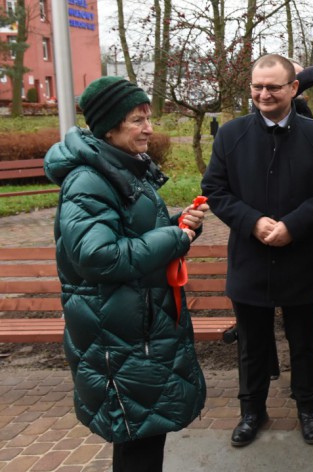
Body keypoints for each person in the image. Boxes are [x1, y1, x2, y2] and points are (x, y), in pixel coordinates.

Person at [43, 76, 208, 471]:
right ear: (110, 127)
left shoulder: (120, 169)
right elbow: (98, 256)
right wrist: (174, 238)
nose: (149, 128)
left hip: (136, 329)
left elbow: (131, 234)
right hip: (118, 338)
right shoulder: (89, 180)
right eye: (137, 120)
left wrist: (179, 225)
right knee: (138, 439)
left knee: (142, 434)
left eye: (148, 118)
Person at [201, 54, 313, 448]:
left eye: (273, 87)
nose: (264, 94)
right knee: (252, 342)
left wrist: (293, 226)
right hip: (250, 257)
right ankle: (252, 411)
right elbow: (215, 189)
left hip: (302, 255)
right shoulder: (231, 135)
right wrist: (251, 221)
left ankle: (308, 408)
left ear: (294, 87)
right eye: (257, 86)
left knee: (304, 341)